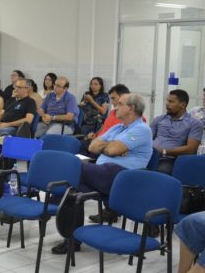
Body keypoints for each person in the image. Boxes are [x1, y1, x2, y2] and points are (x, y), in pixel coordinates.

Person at [52, 94, 153, 254]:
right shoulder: (117, 128)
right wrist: (115, 147)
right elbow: (93, 146)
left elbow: (112, 150)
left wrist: (112, 148)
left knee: (71, 165)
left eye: (119, 104)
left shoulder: (142, 129)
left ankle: (53, 199)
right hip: (101, 174)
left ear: (131, 108)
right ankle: (72, 240)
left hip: (121, 178)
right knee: (71, 190)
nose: (115, 107)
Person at [151, 89, 203, 173]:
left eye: (171, 101)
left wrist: (164, 151)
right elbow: (147, 139)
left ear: (182, 105)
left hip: (171, 160)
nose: (167, 104)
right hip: (151, 155)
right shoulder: (159, 119)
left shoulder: (194, 123)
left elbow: (191, 149)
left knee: (158, 172)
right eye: (167, 100)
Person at [79, 84, 131, 157]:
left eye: (113, 98)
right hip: (99, 141)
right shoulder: (113, 112)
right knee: (81, 144)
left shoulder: (130, 118)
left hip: (107, 145)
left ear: (123, 98)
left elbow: (125, 138)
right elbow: (104, 127)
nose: (112, 102)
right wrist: (95, 134)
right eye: (111, 99)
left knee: (87, 148)